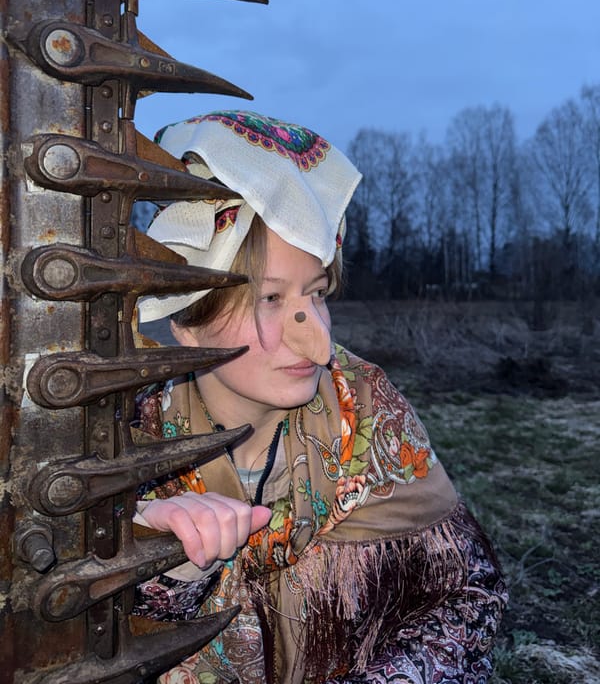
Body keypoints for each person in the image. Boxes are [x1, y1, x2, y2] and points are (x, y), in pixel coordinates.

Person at [133, 110, 507, 684]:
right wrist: (166, 568)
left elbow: (466, 596)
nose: (319, 340)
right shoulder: (128, 442)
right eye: (270, 300)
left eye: (316, 293)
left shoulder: (365, 408)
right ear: (187, 321)